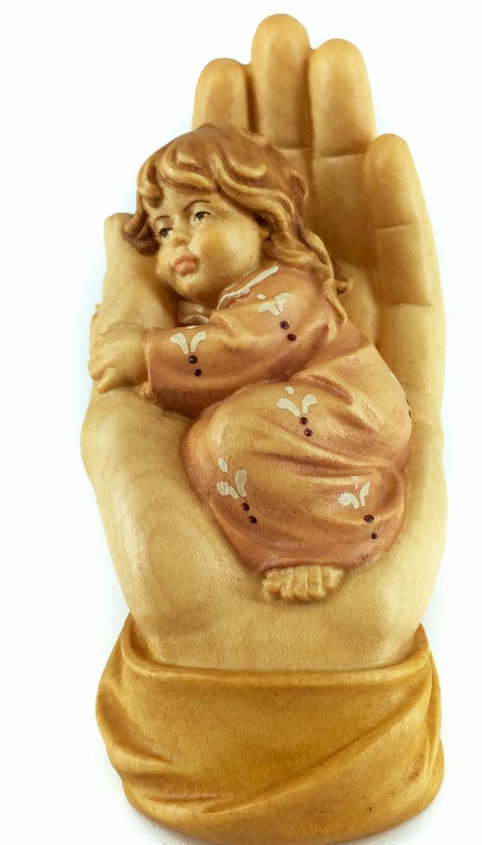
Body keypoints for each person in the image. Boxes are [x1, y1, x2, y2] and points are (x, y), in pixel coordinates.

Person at [91, 123, 412, 601]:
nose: (177, 240)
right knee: (211, 441)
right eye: (164, 229)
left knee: (232, 432)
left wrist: (146, 353)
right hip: (305, 416)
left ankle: (333, 539)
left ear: (262, 220)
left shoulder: (288, 290)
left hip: (353, 411)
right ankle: (296, 538)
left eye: (199, 215)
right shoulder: (227, 303)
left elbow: (241, 349)